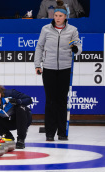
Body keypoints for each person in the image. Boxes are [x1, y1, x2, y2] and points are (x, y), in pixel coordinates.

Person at [34, 0, 82, 141]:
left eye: (61, 15)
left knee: (61, 100)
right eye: (56, 15)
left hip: (65, 69)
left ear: (66, 17)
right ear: (53, 16)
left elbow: (78, 47)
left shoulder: (72, 30)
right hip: (49, 69)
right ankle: (50, 132)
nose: (58, 18)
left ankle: (62, 132)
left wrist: (76, 49)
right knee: (50, 101)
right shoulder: (46, 29)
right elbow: (39, 47)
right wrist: (37, 64)